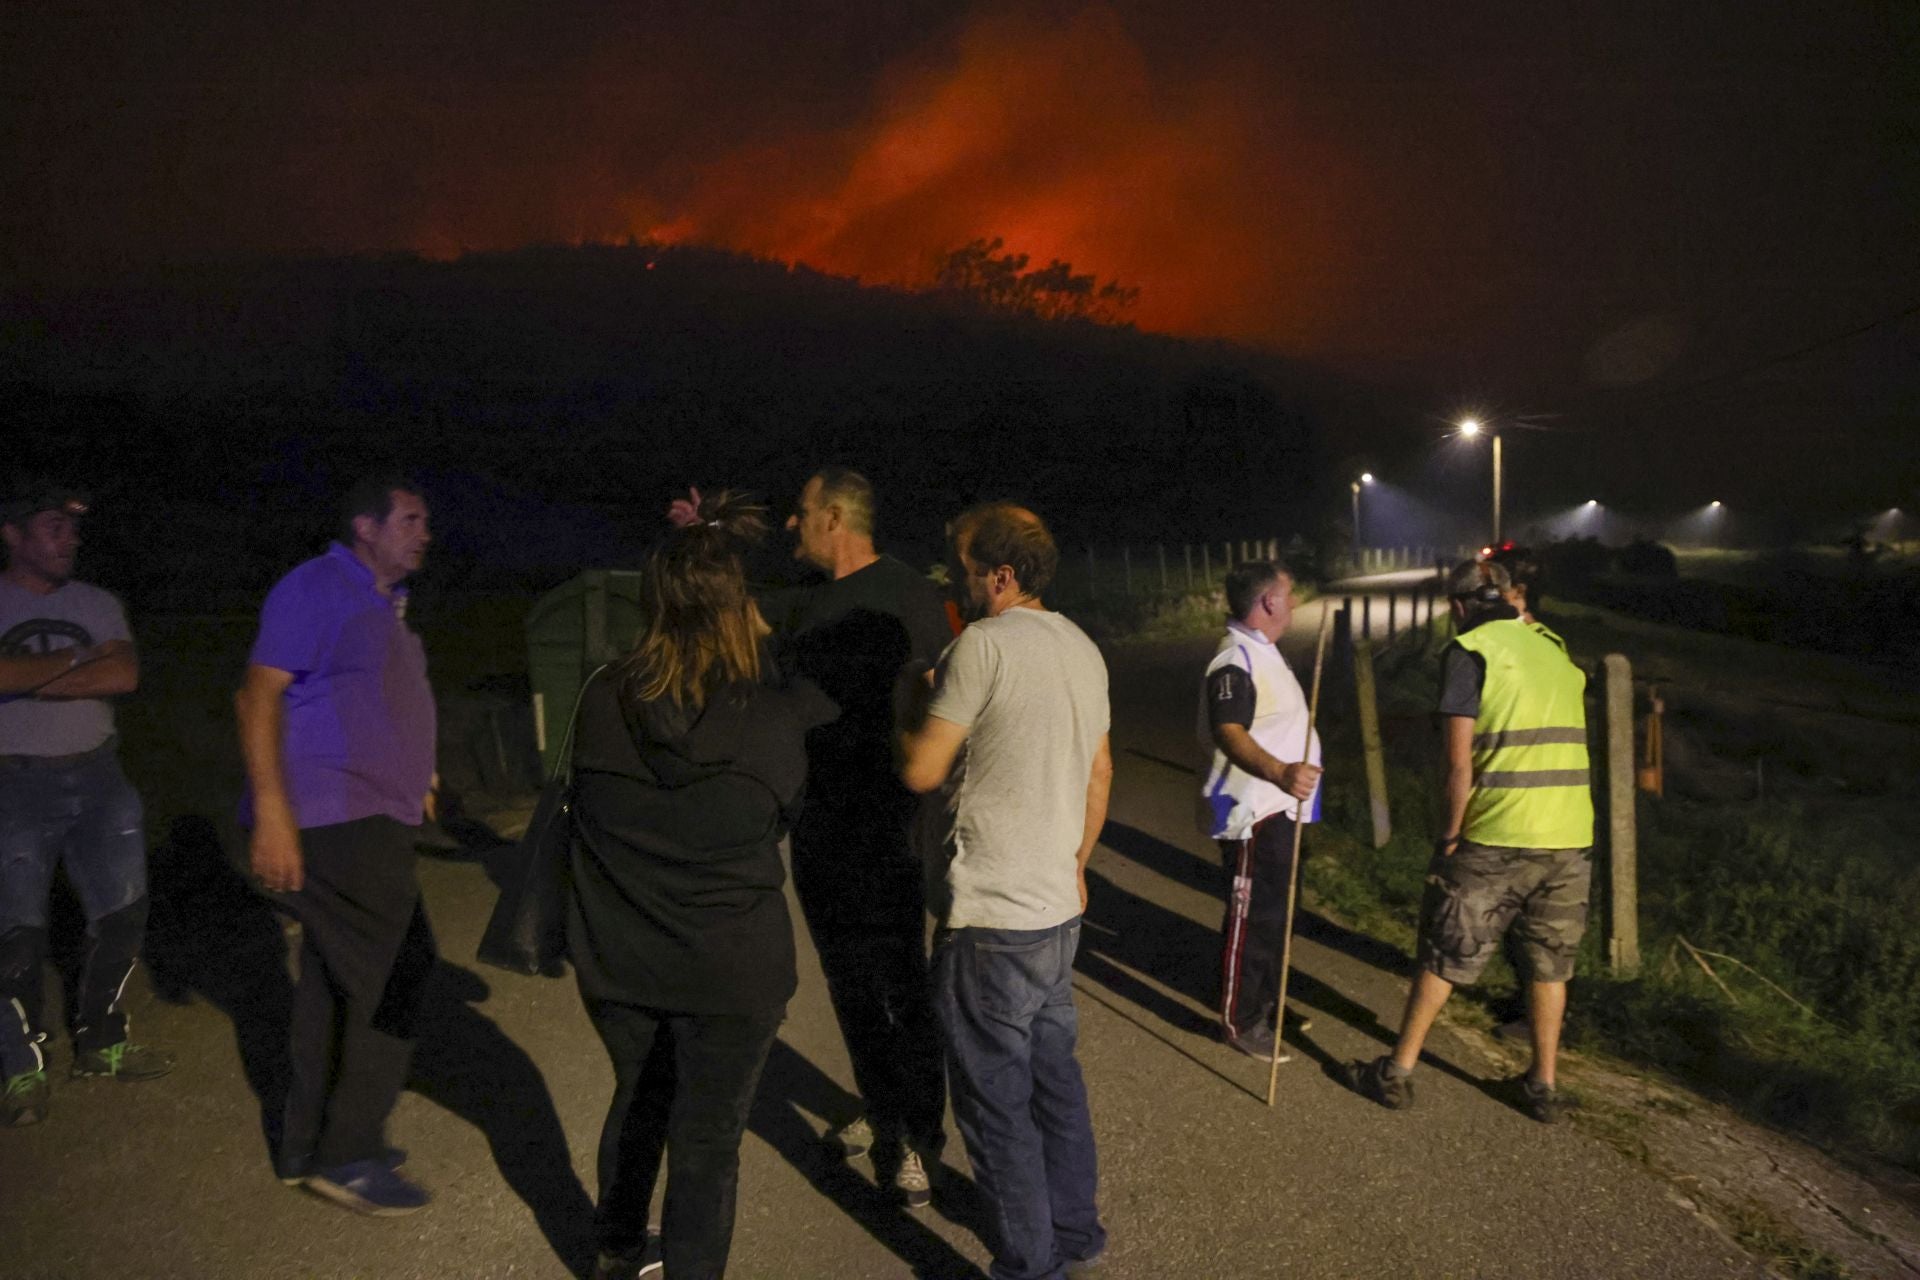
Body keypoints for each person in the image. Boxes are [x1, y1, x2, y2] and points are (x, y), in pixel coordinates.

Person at [569, 488, 834, 1280]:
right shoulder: (777, 717)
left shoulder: (597, 700)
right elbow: (778, 817)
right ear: (738, 606)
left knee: (638, 1097)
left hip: (619, 958)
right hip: (732, 967)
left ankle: (617, 1243)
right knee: (709, 1141)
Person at [898, 502, 1111, 1280]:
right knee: (1057, 1081)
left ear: (1002, 574)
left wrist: (909, 708)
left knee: (995, 1107)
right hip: (1056, 909)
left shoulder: (979, 648)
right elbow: (1100, 773)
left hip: (988, 916)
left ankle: (1030, 1264)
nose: (960, 581)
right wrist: (1078, 864)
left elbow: (922, 769)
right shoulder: (1083, 647)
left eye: (965, 569)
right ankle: (1076, 1230)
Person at [234, 474, 439, 1211]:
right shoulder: (316, 586)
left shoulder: (383, 604)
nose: (425, 532)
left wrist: (420, 768)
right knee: (401, 976)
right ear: (365, 525)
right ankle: (348, 1155)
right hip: (334, 820)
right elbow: (256, 694)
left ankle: (306, 1147)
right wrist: (273, 814)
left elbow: (373, 700)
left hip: (368, 813)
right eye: (411, 519)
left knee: (330, 985)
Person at [1341, 559, 1594, 1123]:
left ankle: (1397, 1072)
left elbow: (1459, 763)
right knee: (1550, 963)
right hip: (1570, 833)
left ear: (1458, 608)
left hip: (1498, 831)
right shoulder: (1553, 648)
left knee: (1446, 951)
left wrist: (1449, 837)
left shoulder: (1472, 651)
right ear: (1508, 597)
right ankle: (1543, 1086)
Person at [772, 467, 952, 1206]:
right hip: (818, 828)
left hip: (888, 827)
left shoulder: (908, 595)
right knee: (848, 985)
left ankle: (919, 1132)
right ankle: (881, 1109)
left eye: (802, 512)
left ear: (835, 517)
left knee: (902, 983)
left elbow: (945, 708)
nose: (792, 525)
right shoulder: (807, 605)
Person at [1, 484, 173, 1128]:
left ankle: (101, 1043)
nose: (69, 539)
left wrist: (27, 675)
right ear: (13, 536)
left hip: (100, 779)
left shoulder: (98, 602)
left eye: (71, 530)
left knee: (122, 916)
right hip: (13, 784)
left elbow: (123, 676)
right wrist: (78, 659)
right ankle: (22, 1064)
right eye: (53, 528)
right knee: (15, 936)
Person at [1197, 561, 1323, 1061]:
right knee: (1253, 919)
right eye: (1289, 594)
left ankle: (1265, 1002)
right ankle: (1241, 1018)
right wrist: (1279, 772)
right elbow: (1230, 730)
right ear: (1268, 601)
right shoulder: (1233, 660)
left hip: (1280, 811)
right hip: (1254, 812)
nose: (1293, 602)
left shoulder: (1262, 651)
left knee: (1275, 916)